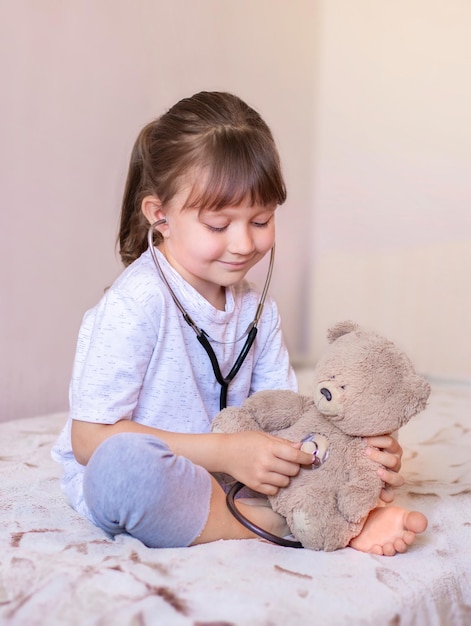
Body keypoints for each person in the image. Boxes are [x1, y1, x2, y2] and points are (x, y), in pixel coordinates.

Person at [52, 91, 427, 556]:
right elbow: (88, 440)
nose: (243, 243)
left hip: (235, 473)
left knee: (334, 454)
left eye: (261, 219)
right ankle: (283, 522)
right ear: (160, 215)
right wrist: (225, 452)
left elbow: (286, 412)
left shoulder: (257, 310)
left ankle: (313, 510)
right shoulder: (137, 303)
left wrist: (355, 446)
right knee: (124, 474)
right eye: (218, 224)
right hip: (161, 473)